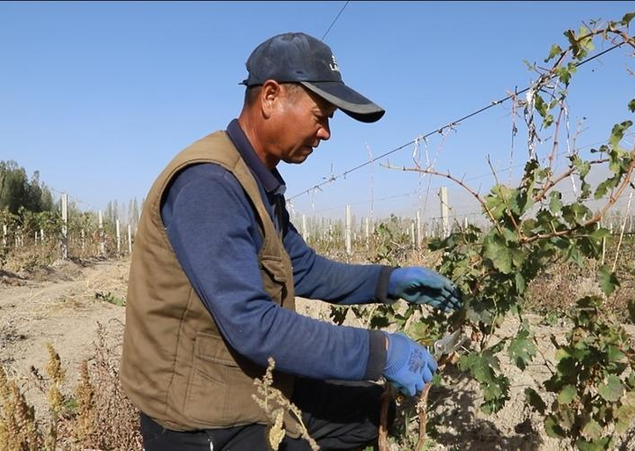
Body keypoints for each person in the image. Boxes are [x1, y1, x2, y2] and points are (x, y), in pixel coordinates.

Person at [120, 32, 461, 450]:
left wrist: (388, 282)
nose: (326, 133)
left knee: (374, 414)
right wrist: (380, 351)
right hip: (203, 419)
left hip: (251, 379)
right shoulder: (210, 186)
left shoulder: (255, 182)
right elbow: (254, 325)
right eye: (321, 115)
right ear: (270, 97)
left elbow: (304, 268)